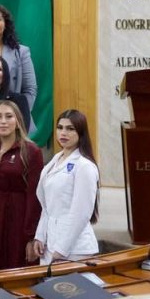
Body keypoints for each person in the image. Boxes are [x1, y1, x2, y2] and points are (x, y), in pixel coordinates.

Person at [0, 100, 42, 270]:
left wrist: (31, 236)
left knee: (15, 265)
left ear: (18, 121)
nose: (3, 121)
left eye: (8, 116)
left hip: (17, 218)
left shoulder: (31, 151)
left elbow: (34, 196)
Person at [29, 110, 100, 265]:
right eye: (60, 127)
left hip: (74, 249)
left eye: (70, 129)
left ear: (81, 133)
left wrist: (62, 249)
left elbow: (80, 214)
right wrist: (40, 236)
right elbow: (47, 206)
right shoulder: (55, 160)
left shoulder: (85, 166)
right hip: (49, 245)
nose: (63, 133)